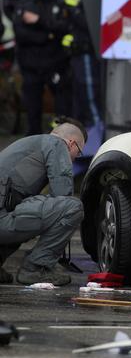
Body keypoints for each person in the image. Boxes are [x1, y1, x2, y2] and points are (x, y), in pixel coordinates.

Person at [0, 121, 86, 285]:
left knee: (26, 211)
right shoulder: (56, 144)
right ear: (71, 143)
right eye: (78, 153)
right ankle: (36, 268)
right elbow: (63, 195)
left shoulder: (29, 144)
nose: (75, 159)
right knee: (73, 207)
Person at [13, 0, 72, 136]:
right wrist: (47, 35)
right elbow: (21, 34)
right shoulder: (22, 5)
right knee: (33, 109)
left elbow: (65, 28)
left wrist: (38, 21)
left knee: (62, 109)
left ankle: (60, 140)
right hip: (30, 66)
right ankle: (34, 143)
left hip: (55, 64)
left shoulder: (59, 3)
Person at [63, 0, 101, 129]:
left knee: (89, 91)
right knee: (78, 95)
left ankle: (97, 127)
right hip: (76, 52)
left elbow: (88, 24)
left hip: (86, 51)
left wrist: (72, 8)